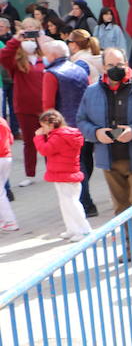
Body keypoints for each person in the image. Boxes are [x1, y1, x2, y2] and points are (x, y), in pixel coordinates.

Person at [76, 47, 132, 221]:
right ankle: (130, 247)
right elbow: (81, 120)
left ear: (127, 64)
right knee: (121, 211)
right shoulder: (92, 92)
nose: (115, 68)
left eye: (119, 64)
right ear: (103, 67)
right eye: (110, 65)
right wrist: (95, 133)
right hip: (108, 159)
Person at [39, 38, 99, 215]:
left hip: (64, 127)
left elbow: (48, 105)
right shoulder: (80, 69)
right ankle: (85, 201)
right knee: (86, 162)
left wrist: (47, 129)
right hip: (83, 123)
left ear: (52, 55)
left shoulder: (51, 74)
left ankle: (85, 204)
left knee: (75, 166)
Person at [0, 19, 47, 185]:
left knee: (51, 139)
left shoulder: (45, 56)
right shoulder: (16, 60)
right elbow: (3, 56)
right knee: (29, 142)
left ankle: (52, 170)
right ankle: (31, 174)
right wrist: (16, 40)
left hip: (46, 107)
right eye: (26, 31)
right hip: (25, 107)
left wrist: (43, 41)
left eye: (32, 30)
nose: (29, 36)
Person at [33, 109, 90, 238]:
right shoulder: (64, 134)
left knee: (71, 204)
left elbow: (45, 150)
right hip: (64, 173)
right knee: (66, 203)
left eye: (43, 126)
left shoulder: (59, 136)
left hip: (65, 174)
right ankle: (72, 228)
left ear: (51, 124)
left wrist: (38, 138)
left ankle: (84, 229)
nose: (43, 129)